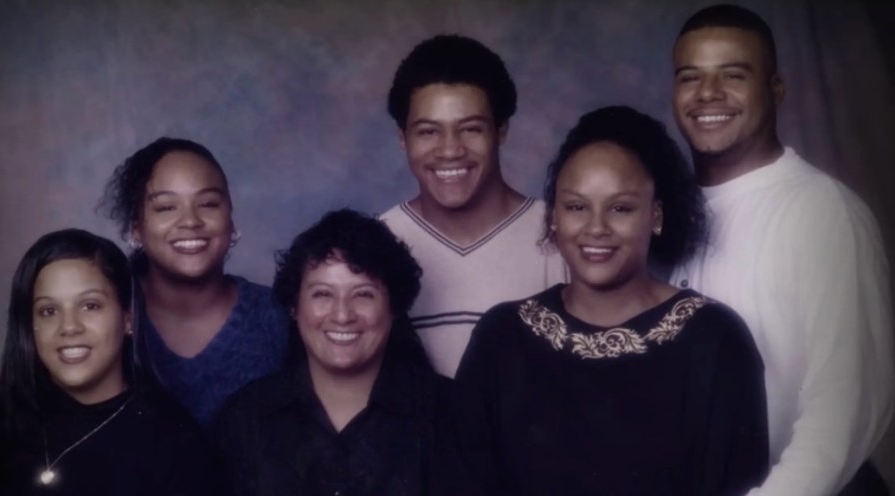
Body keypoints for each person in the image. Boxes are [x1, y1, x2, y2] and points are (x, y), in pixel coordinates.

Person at [450, 106, 768, 495]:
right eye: (576, 207)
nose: (596, 228)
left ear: (655, 215)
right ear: (553, 217)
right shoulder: (503, 338)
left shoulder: (713, 339)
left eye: (620, 208)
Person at [669, 5, 894, 495]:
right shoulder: (662, 213)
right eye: (691, 77)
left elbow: (844, 405)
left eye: (733, 75)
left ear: (776, 88)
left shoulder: (821, 211)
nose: (708, 94)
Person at [0, 229, 222, 495]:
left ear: (128, 318)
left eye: (90, 306)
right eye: (48, 311)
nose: (69, 327)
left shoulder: (175, 444)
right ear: (29, 325)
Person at [215, 209, 451, 495]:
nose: (342, 315)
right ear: (294, 306)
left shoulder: (451, 414)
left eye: (363, 294)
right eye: (322, 294)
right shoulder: (244, 419)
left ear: (395, 307)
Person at [381, 34, 568, 378]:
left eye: (470, 129)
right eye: (428, 132)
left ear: (502, 131)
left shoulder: (563, 235)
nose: (450, 150)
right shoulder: (379, 244)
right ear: (402, 138)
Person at [101, 137, 288, 426]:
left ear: (231, 218)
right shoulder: (106, 313)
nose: (190, 221)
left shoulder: (277, 316)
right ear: (137, 229)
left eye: (208, 204)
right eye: (166, 207)